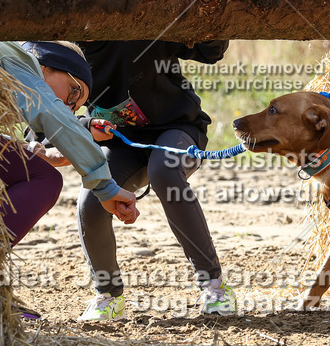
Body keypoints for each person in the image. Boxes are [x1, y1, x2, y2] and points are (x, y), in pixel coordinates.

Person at [73, 40, 235, 320]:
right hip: (119, 141)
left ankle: (214, 285)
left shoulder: (143, 22)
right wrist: (86, 125)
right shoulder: (65, 46)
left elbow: (211, 51)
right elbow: (43, 121)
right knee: (91, 200)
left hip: (178, 128)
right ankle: (108, 296)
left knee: (165, 171)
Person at [0, 41, 139, 249]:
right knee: (46, 178)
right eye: (74, 92)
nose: (67, 107)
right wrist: (105, 187)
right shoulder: (20, 63)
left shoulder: (5, 81)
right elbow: (50, 112)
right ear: (45, 66)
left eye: (74, 109)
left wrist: (41, 154)